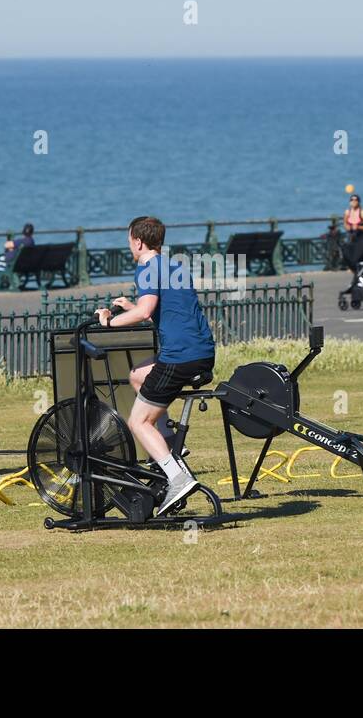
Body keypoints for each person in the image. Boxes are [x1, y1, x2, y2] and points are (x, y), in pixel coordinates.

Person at [95, 216, 216, 516]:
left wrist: (109, 321)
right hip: (202, 352)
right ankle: (171, 446)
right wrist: (130, 307)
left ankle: (177, 477)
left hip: (179, 357)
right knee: (137, 376)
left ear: (138, 241)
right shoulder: (174, 265)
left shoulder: (147, 268)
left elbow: (146, 311)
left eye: (129, 242)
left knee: (138, 422)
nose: (130, 247)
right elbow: (158, 312)